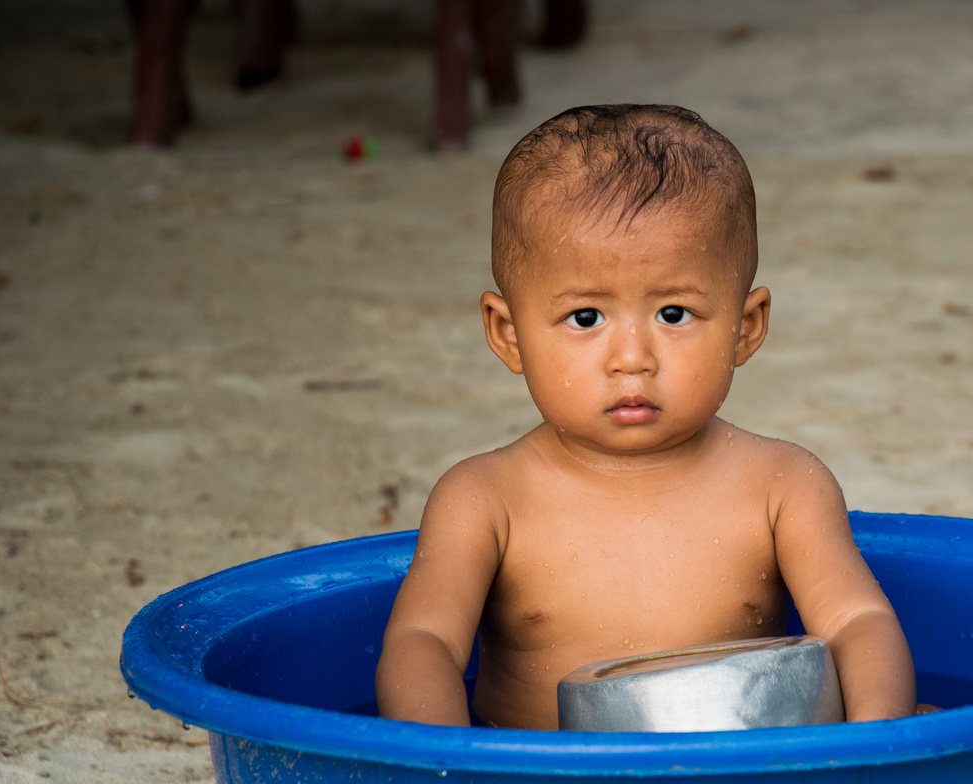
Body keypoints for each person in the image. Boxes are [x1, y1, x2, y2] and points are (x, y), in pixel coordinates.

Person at [374, 104, 916, 730]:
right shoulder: (485, 499)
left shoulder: (782, 485)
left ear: (746, 327)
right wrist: (452, 773)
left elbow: (857, 622)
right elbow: (424, 643)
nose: (632, 359)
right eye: (586, 318)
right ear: (509, 334)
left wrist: (875, 743)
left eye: (674, 314)